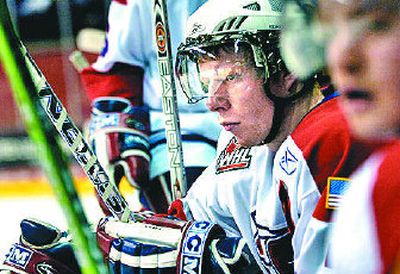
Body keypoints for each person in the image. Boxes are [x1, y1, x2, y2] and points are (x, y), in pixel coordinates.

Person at [0, 0, 376, 273]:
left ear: (288, 70)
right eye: (206, 81)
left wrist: (223, 264)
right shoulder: (244, 153)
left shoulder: (336, 140)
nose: (214, 102)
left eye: (230, 77)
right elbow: (176, 224)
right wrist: (91, 253)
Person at [80, 0, 221, 213]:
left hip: (264, 124)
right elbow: (120, 67)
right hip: (181, 131)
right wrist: (114, 128)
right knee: (189, 224)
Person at [318, 0, 400, 272]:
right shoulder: (372, 190)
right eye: (329, 30)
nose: (342, 60)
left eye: (376, 24)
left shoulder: (379, 190)